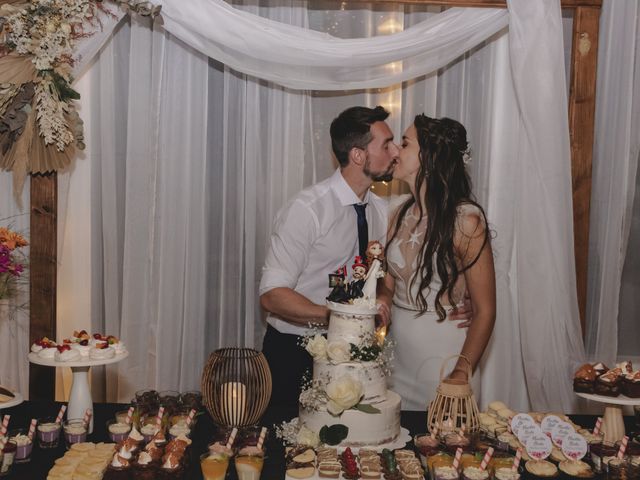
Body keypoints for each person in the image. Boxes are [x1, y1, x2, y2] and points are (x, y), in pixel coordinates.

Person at [259, 106, 398, 408]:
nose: (396, 151)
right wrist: (341, 317)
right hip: (294, 351)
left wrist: (385, 296)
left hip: (355, 352)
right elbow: (272, 295)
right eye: (386, 144)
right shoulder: (307, 210)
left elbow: (383, 274)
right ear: (359, 155)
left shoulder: (380, 210)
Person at [377, 115, 496, 411]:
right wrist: (381, 298)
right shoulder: (396, 212)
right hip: (396, 360)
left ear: (428, 157)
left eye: (404, 144)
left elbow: (485, 310)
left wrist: (461, 372)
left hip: (443, 360)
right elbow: (389, 287)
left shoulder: (466, 221)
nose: (395, 151)